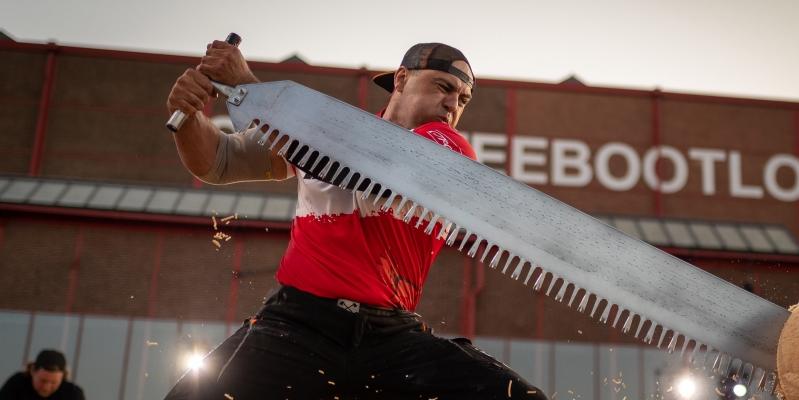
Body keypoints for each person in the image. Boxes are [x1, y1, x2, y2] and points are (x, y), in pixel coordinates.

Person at [163, 41, 547, 400]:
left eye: (462, 99)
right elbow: (219, 160)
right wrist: (189, 117)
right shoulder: (318, 133)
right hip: (295, 325)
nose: (452, 104)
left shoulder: (449, 149)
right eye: (443, 87)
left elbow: (381, 169)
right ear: (401, 79)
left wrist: (250, 88)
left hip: (390, 337)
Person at [0, 349, 86, 400]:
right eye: (43, 380)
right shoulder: (17, 384)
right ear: (32, 370)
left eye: (54, 382)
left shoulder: (73, 394)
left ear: (63, 377)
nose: (46, 387)